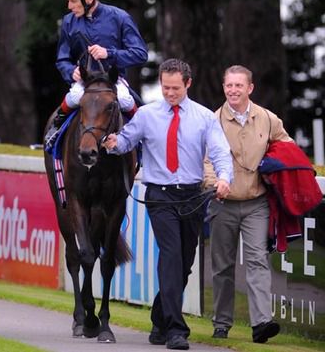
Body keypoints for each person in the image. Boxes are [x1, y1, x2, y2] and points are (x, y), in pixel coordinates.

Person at [103, 58, 232, 351]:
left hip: (192, 196)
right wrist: (113, 144)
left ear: (188, 84)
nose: (170, 93)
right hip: (159, 195)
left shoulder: (203, 117)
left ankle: (160, 319)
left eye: (175, 88)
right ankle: (176, 329)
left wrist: (224, 178)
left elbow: (221, 152)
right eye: (165, 88)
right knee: (172, 255)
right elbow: (126, 141)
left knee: (184, 263)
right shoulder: (147, 115)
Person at [204, 65, 291, 344]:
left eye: (238, 85)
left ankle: (261, 323)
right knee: (222, 266)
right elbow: (205, 159)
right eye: (229, 85)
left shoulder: (267, 118)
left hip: (257, 203)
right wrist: (214, 182)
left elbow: (285, 145)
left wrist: (281, 167)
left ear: (250, 88)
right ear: (223, 87)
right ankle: (221, 323)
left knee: (257, 261)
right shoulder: (212, 120)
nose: (233, 90)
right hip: (222, 203)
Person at [45, 0, 147, 147]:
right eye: (68, 1)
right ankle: (55, 129)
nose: (69, 6)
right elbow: (62, 59)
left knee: (124, 100)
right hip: (85, 81)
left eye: (73, 1)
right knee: (75, 96)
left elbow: (140, 54)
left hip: (113, 80)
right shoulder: (69, 22)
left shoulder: (120, 17)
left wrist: (109, 53)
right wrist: (71, 72)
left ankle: (144, 138)